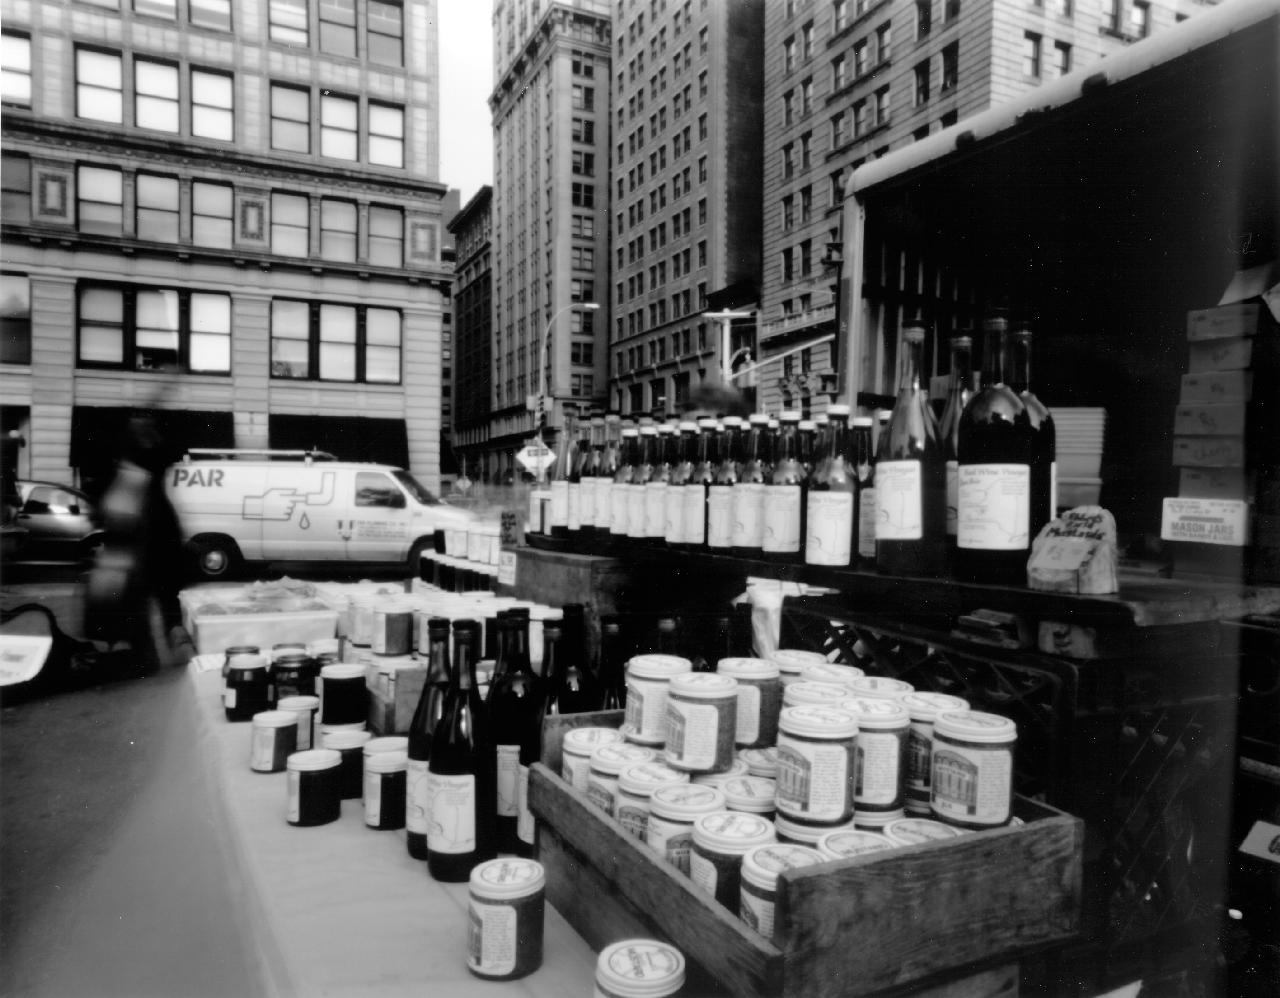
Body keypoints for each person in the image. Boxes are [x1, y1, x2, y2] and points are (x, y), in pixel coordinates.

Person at [84, 412, 190, 673]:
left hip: (140, 547)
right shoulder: (146, 478)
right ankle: (167, 648)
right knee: (162, 601)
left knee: (143, 602)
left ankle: (147, 653)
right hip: (151, 544)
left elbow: (102, 509)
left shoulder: (129, 474)